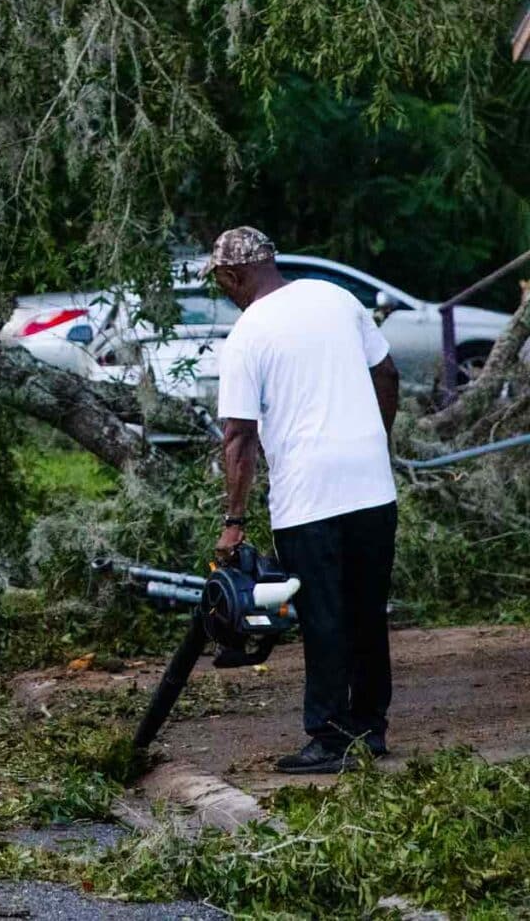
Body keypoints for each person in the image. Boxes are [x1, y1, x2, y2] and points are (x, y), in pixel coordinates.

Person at [207, 226, 401, 774]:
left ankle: (328, 738)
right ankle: (371, 728)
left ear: (234, 274)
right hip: (371, 485)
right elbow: (387, 373)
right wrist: (373, 440)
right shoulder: (337, 298)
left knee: (323, 616)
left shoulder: (248, 333)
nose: (224, 290)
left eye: (222, 281)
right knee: (366, 611)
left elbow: (239, 436)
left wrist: (234, 520)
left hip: (309, 496)